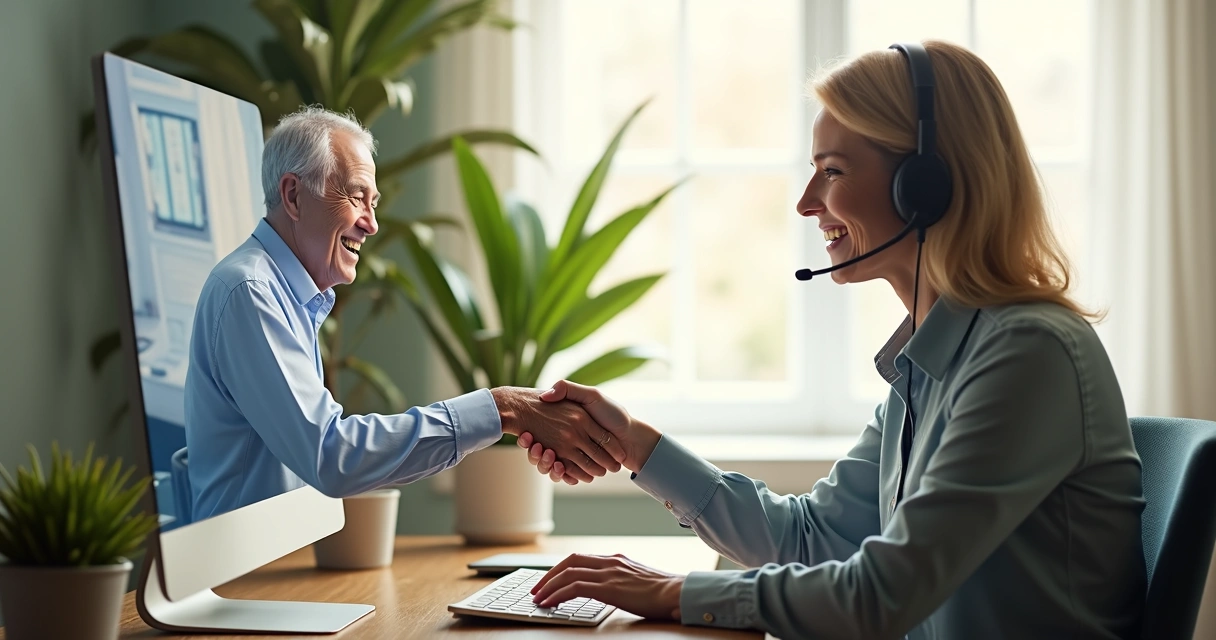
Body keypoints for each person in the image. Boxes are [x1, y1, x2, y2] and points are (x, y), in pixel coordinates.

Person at [515, 41, 1146, 639]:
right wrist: (634, 445)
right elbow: (810, 539)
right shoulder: (930, 362)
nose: (806, 203)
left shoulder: (1026, 355)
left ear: (926, 185)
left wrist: (675, 593)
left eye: (832, 171)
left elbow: (880, 595)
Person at [184, 107, 624, 520]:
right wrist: (502, 408)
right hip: (244, 583)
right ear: (294, 195)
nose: (371, 223)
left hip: (272, 574)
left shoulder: (285, 294)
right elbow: (330, 456)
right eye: (357, 197)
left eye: (373, 203)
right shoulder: (250, 292)